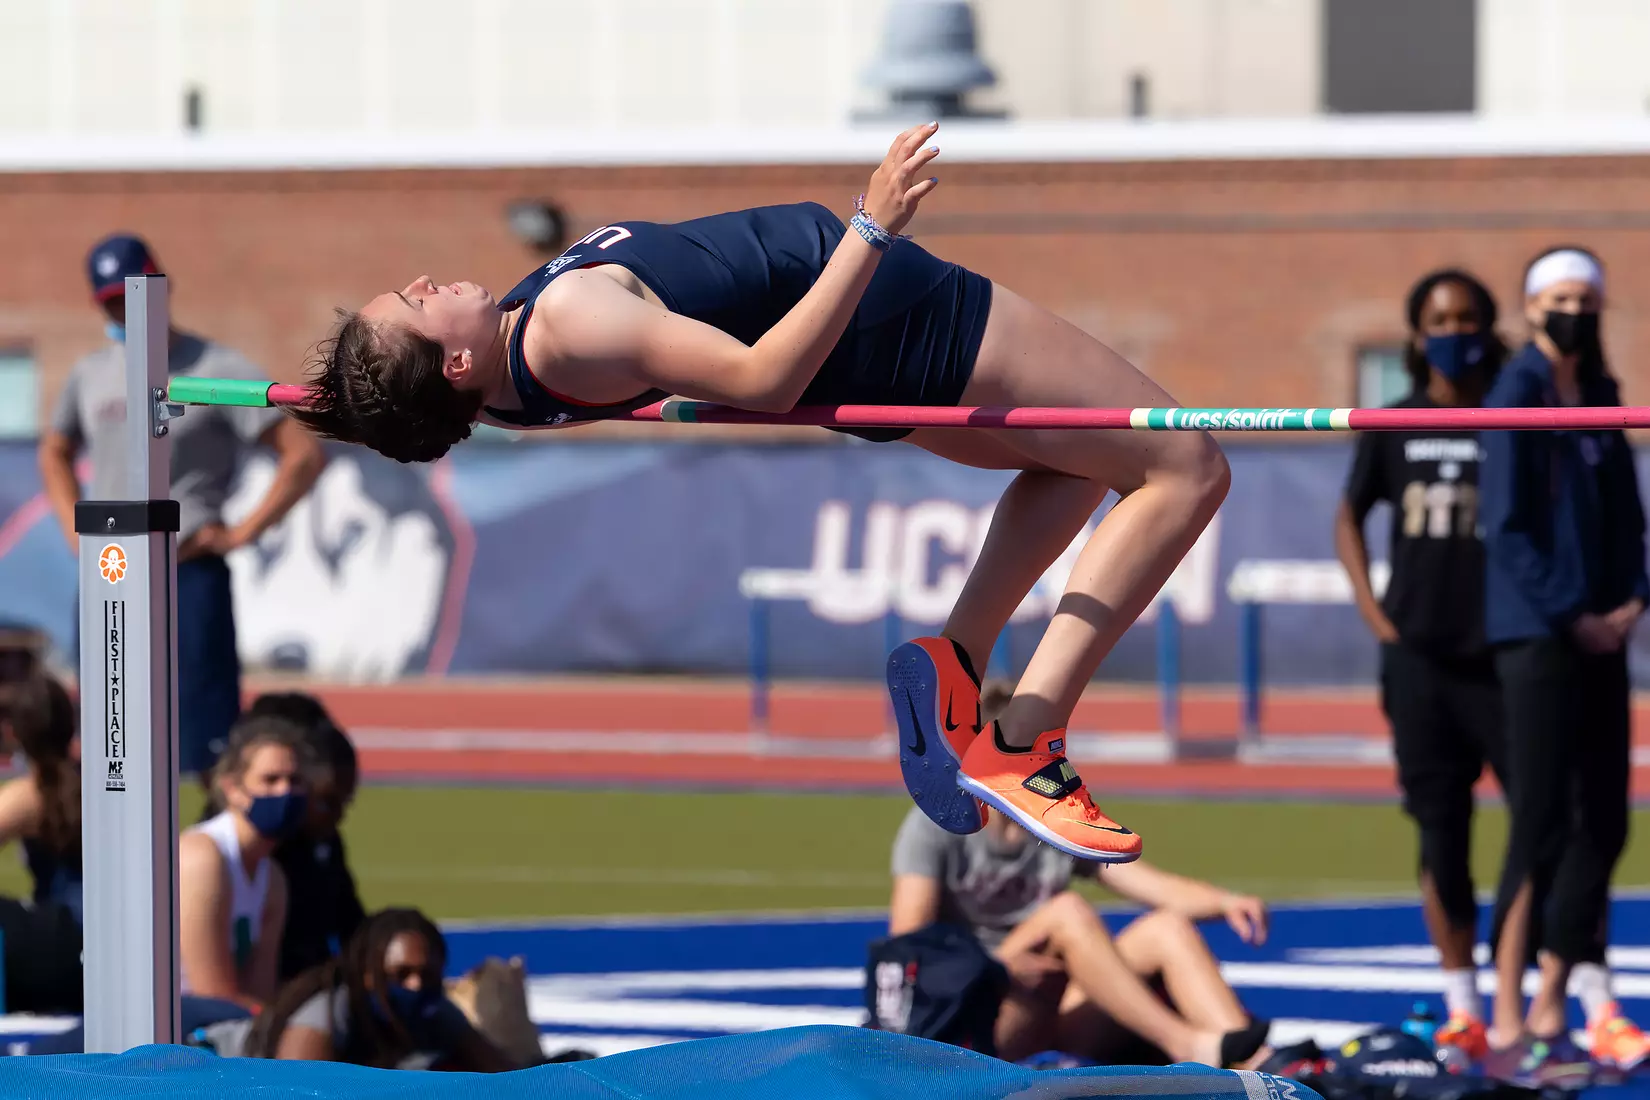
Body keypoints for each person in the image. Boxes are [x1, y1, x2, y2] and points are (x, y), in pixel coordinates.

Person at [288, 124, 1231, 863]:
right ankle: (1027, 736)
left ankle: (958, 660)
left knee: (1072, 461)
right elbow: (768, 378)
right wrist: (873, 222)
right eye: (412, 303)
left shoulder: (500, 396)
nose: (419, 280)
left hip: (864, 347)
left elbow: (405, 406)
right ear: (454, 360)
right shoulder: (569, 324)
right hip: (889, 314)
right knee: (1186, 466)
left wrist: (356, 396)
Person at [37, 233, 326, 779]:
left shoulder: (214, 369)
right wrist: (75, 529)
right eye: (111, 300)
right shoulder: (92, 372)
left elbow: (301, 454)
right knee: (109, 732)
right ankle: (108, 853)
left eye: (133, 293)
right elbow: (55, 450)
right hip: (111, 571)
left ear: (159, 289)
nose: (124, 309)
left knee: (203, 740)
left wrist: (242, 532)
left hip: (186, 570)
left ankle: (201, 855)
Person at [886, 680, 1271, 1069]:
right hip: (979, 1015)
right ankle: (1185, 1043)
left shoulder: (1053, 822)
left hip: (1057, 1003)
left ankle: (1255, 1067)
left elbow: (1148, 883)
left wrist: (1225, 902)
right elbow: (907, 951)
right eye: (1033, 750)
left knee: (1167, 929)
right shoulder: (936, 826)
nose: (1052, 758)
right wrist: (1000, 965)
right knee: (1066, 910)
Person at [1479, 246, 1650, 1076]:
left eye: (1587, 297)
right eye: (1561, 297)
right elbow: (1507, 525)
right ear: (1534, 306)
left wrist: (1629, 602)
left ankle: (1554, 994)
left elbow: (1627, 516)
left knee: (1605, 821)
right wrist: (1569, 612)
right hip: (1538, 635)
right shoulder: (1518, 389)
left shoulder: (1605, 394)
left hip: (1602, 632)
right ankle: (1505, 1011)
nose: (1575, 309)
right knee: (1538, 821)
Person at [1332, 269, 1507, 1060]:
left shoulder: (1518, 414)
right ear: (1416, 333)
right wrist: (1375, 614)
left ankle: (1516, 988)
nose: (1454, 329)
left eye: (1468, 317)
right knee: (1442, 835)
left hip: (1510, 657)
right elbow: (1348, 514)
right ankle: (1461, 1000)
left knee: (1546, 825)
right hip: (1421, 659)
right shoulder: (1395, 421)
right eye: (1440, 318)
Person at [239, 907, 514, 1072]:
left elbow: (504, 1076)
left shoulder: (436, 1011)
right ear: (368, 975)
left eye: (426, 973)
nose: (415, 984)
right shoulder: (322, 1022)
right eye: (401, 974)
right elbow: (293, 1091)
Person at [180, 713, 312, 1011]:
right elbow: (212, 996)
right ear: (233, 789)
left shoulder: (272, 878)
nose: (285, 791)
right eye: (270, 780)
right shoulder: (204, 857)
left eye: (295, 780)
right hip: (168, 1034)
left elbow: (259, 992)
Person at [242, 691, 369, 982]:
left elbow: (353, 925)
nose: (337, 816)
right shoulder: (252, 855)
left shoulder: (324, 843)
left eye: (345, 804)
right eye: (327, 802)